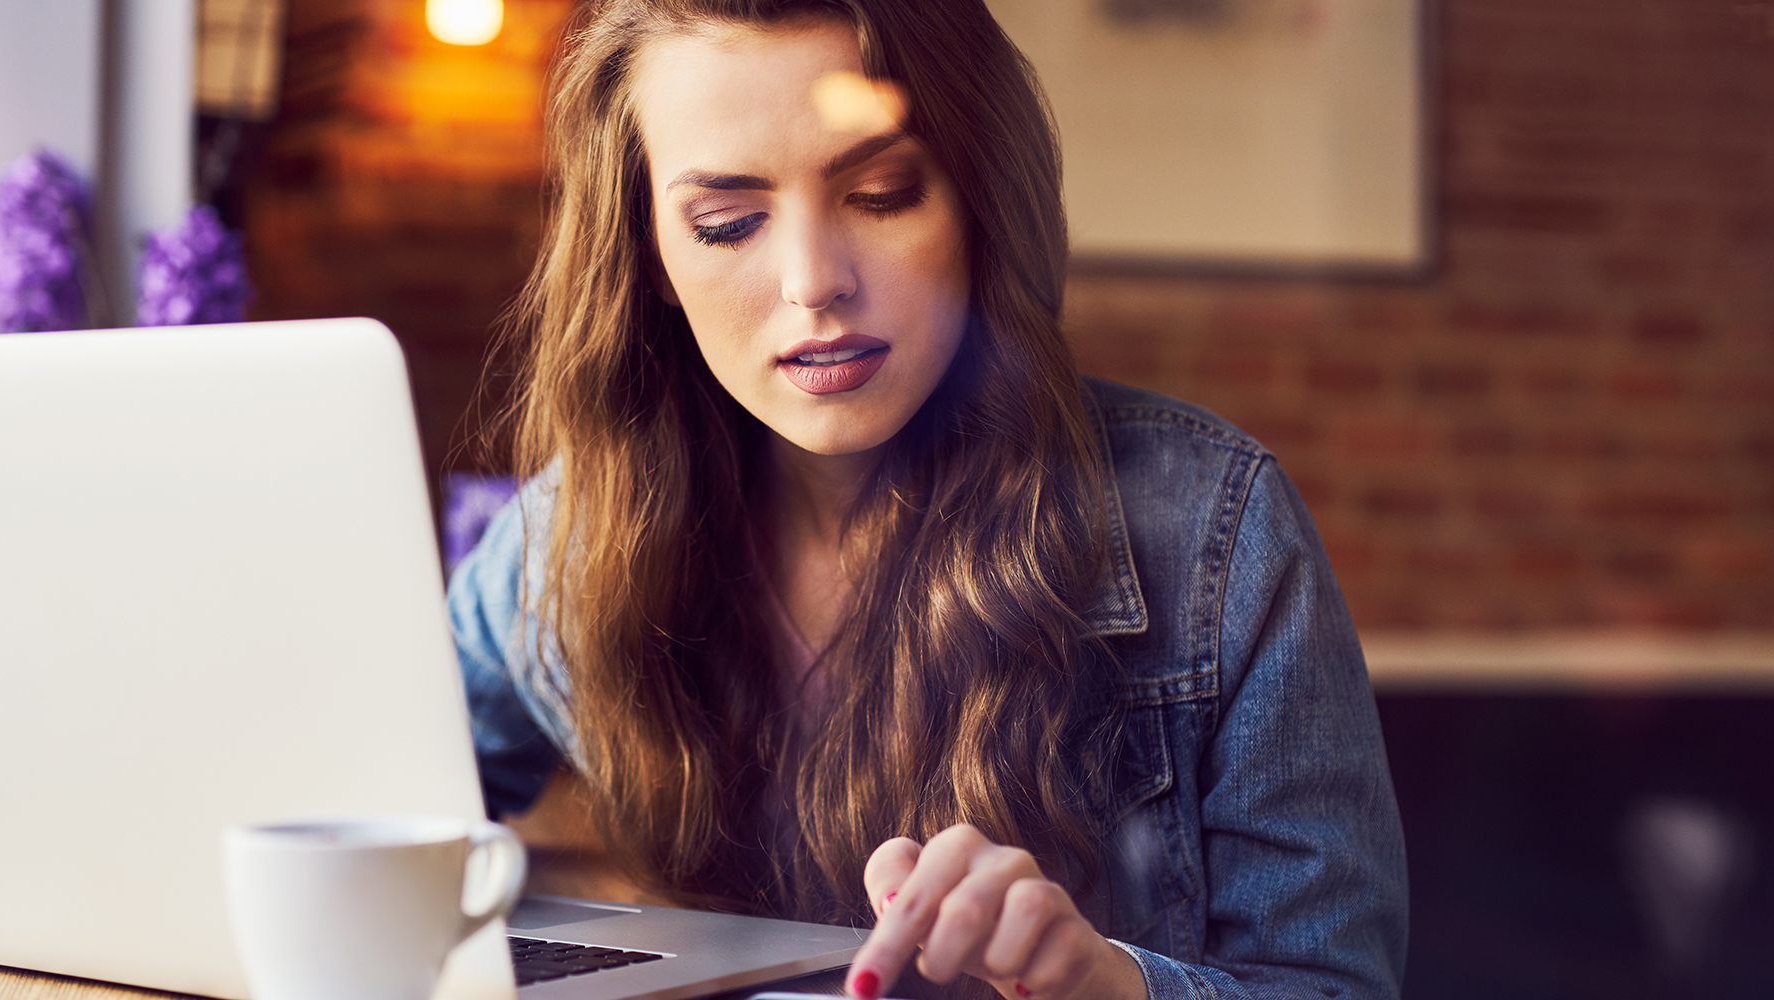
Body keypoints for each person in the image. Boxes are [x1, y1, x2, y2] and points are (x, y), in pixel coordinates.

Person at [449, 1, 1409, 997]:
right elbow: (359, 812)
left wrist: (1105, 983)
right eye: (725, 223)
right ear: (649, 253)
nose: (813, 283)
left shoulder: (1213, 535)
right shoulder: (564, 542)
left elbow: (1328, 984)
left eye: (880, 193)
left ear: (980, 199)